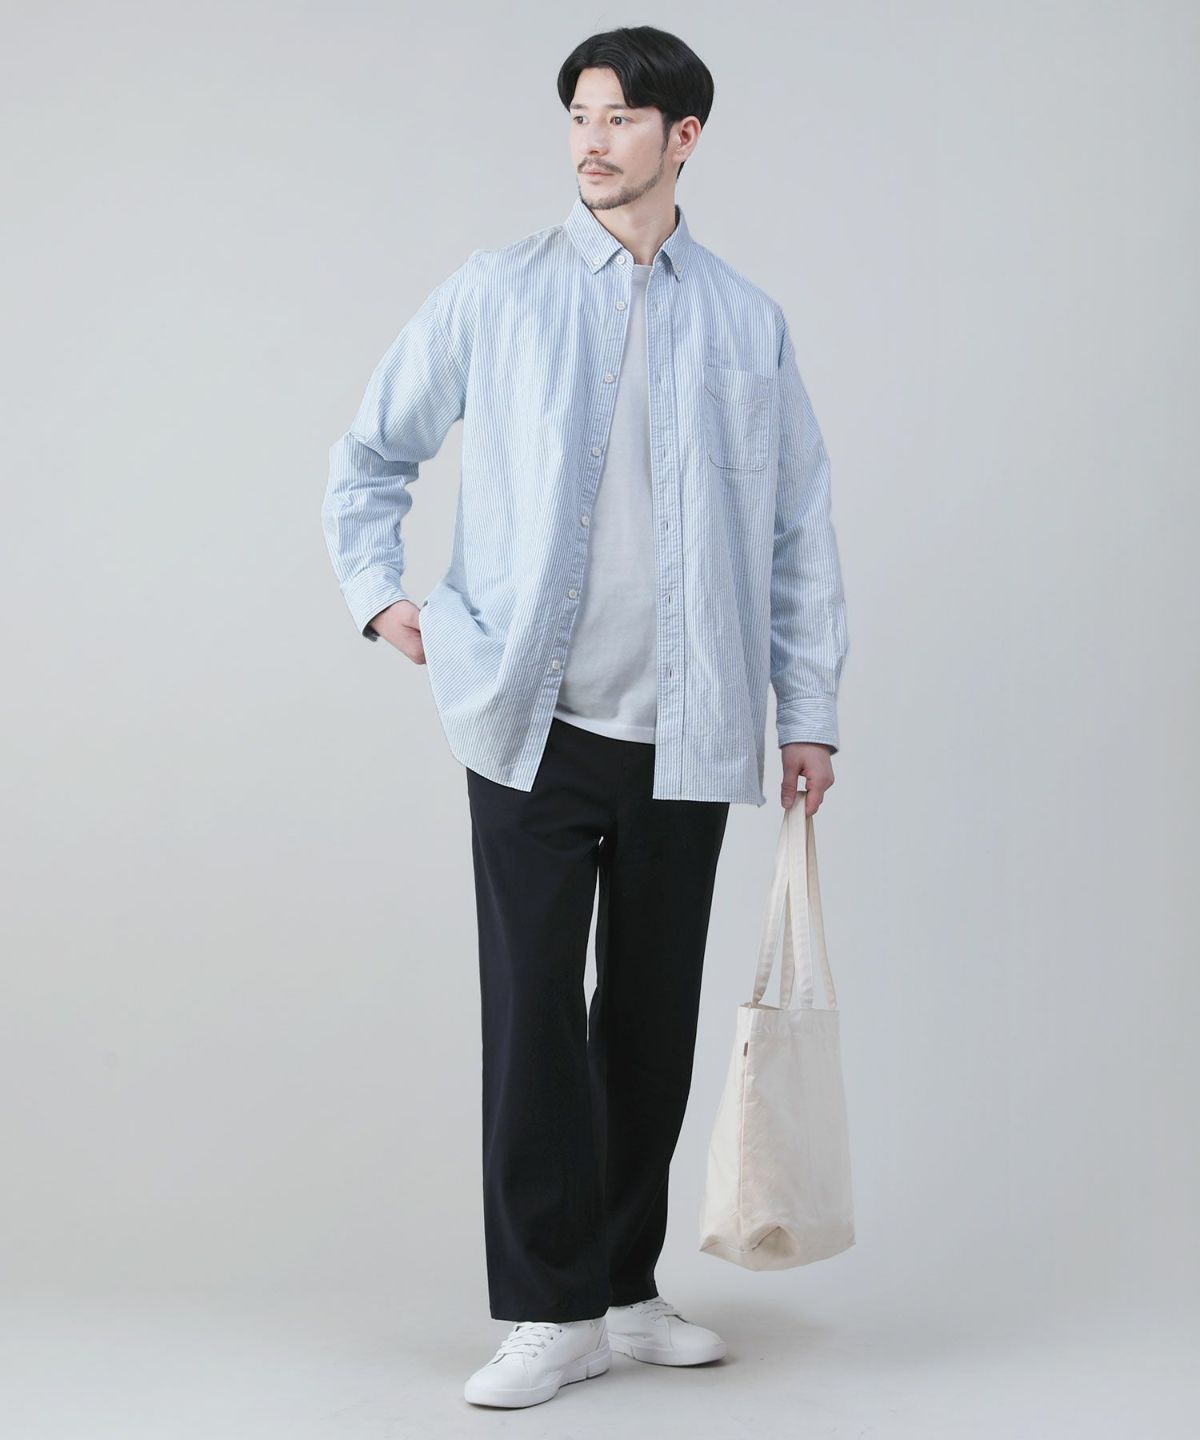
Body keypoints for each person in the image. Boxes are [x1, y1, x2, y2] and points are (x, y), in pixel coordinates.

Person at [322, 24, 849, 1410]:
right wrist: (382, 598)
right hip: (528, 723)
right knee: (534, 1021)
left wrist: (807, 711)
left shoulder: (745, 320)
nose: (591, 140)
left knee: (652, 1025)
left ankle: (622, 1287)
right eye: (577, 115)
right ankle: (543, 1312)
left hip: (693, 730)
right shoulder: (496, 292)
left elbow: (797, 528)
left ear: (684, 139)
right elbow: (370, 454)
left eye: (618, 117)